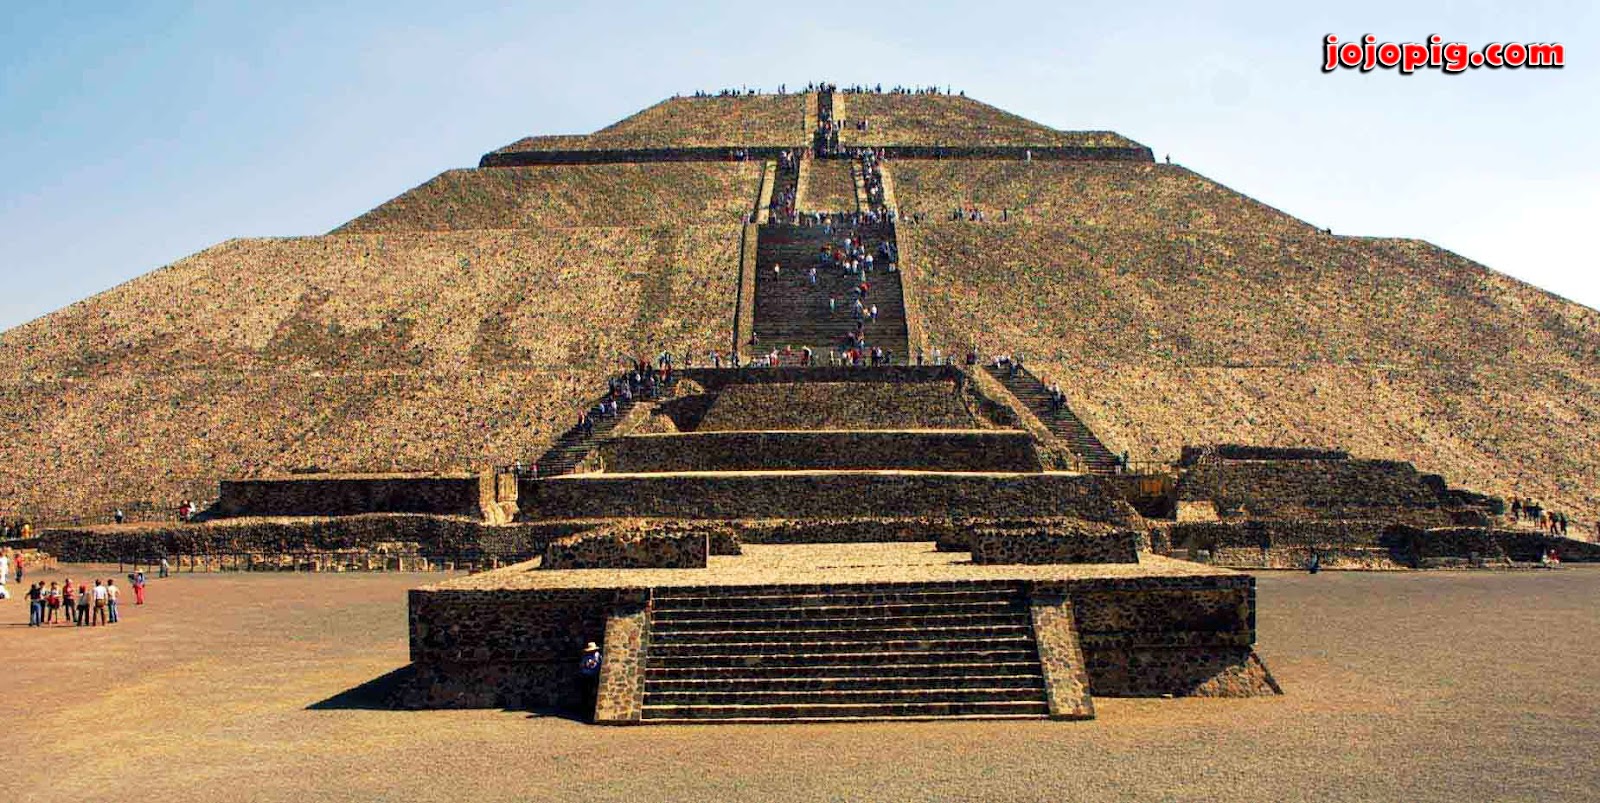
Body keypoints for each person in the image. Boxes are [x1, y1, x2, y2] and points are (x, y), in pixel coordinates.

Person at [578, 641, 603, 721]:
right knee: (586, 693)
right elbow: (582, 665)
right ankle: (586, 709)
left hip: (592, 676)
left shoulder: (597, 656)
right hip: (587, 676)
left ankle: (589, 709)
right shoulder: (587, 657)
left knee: (591, 692)